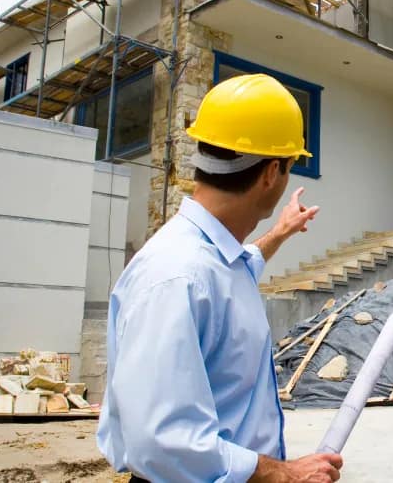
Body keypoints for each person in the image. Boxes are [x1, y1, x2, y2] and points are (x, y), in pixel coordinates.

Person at [97, 74, 343, 483]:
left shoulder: (210, 259)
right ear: (271, 173)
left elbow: (237, 267)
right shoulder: (177, 276)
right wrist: (279, 473)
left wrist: (279, 233)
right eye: (290, 167)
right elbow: (161, 441)